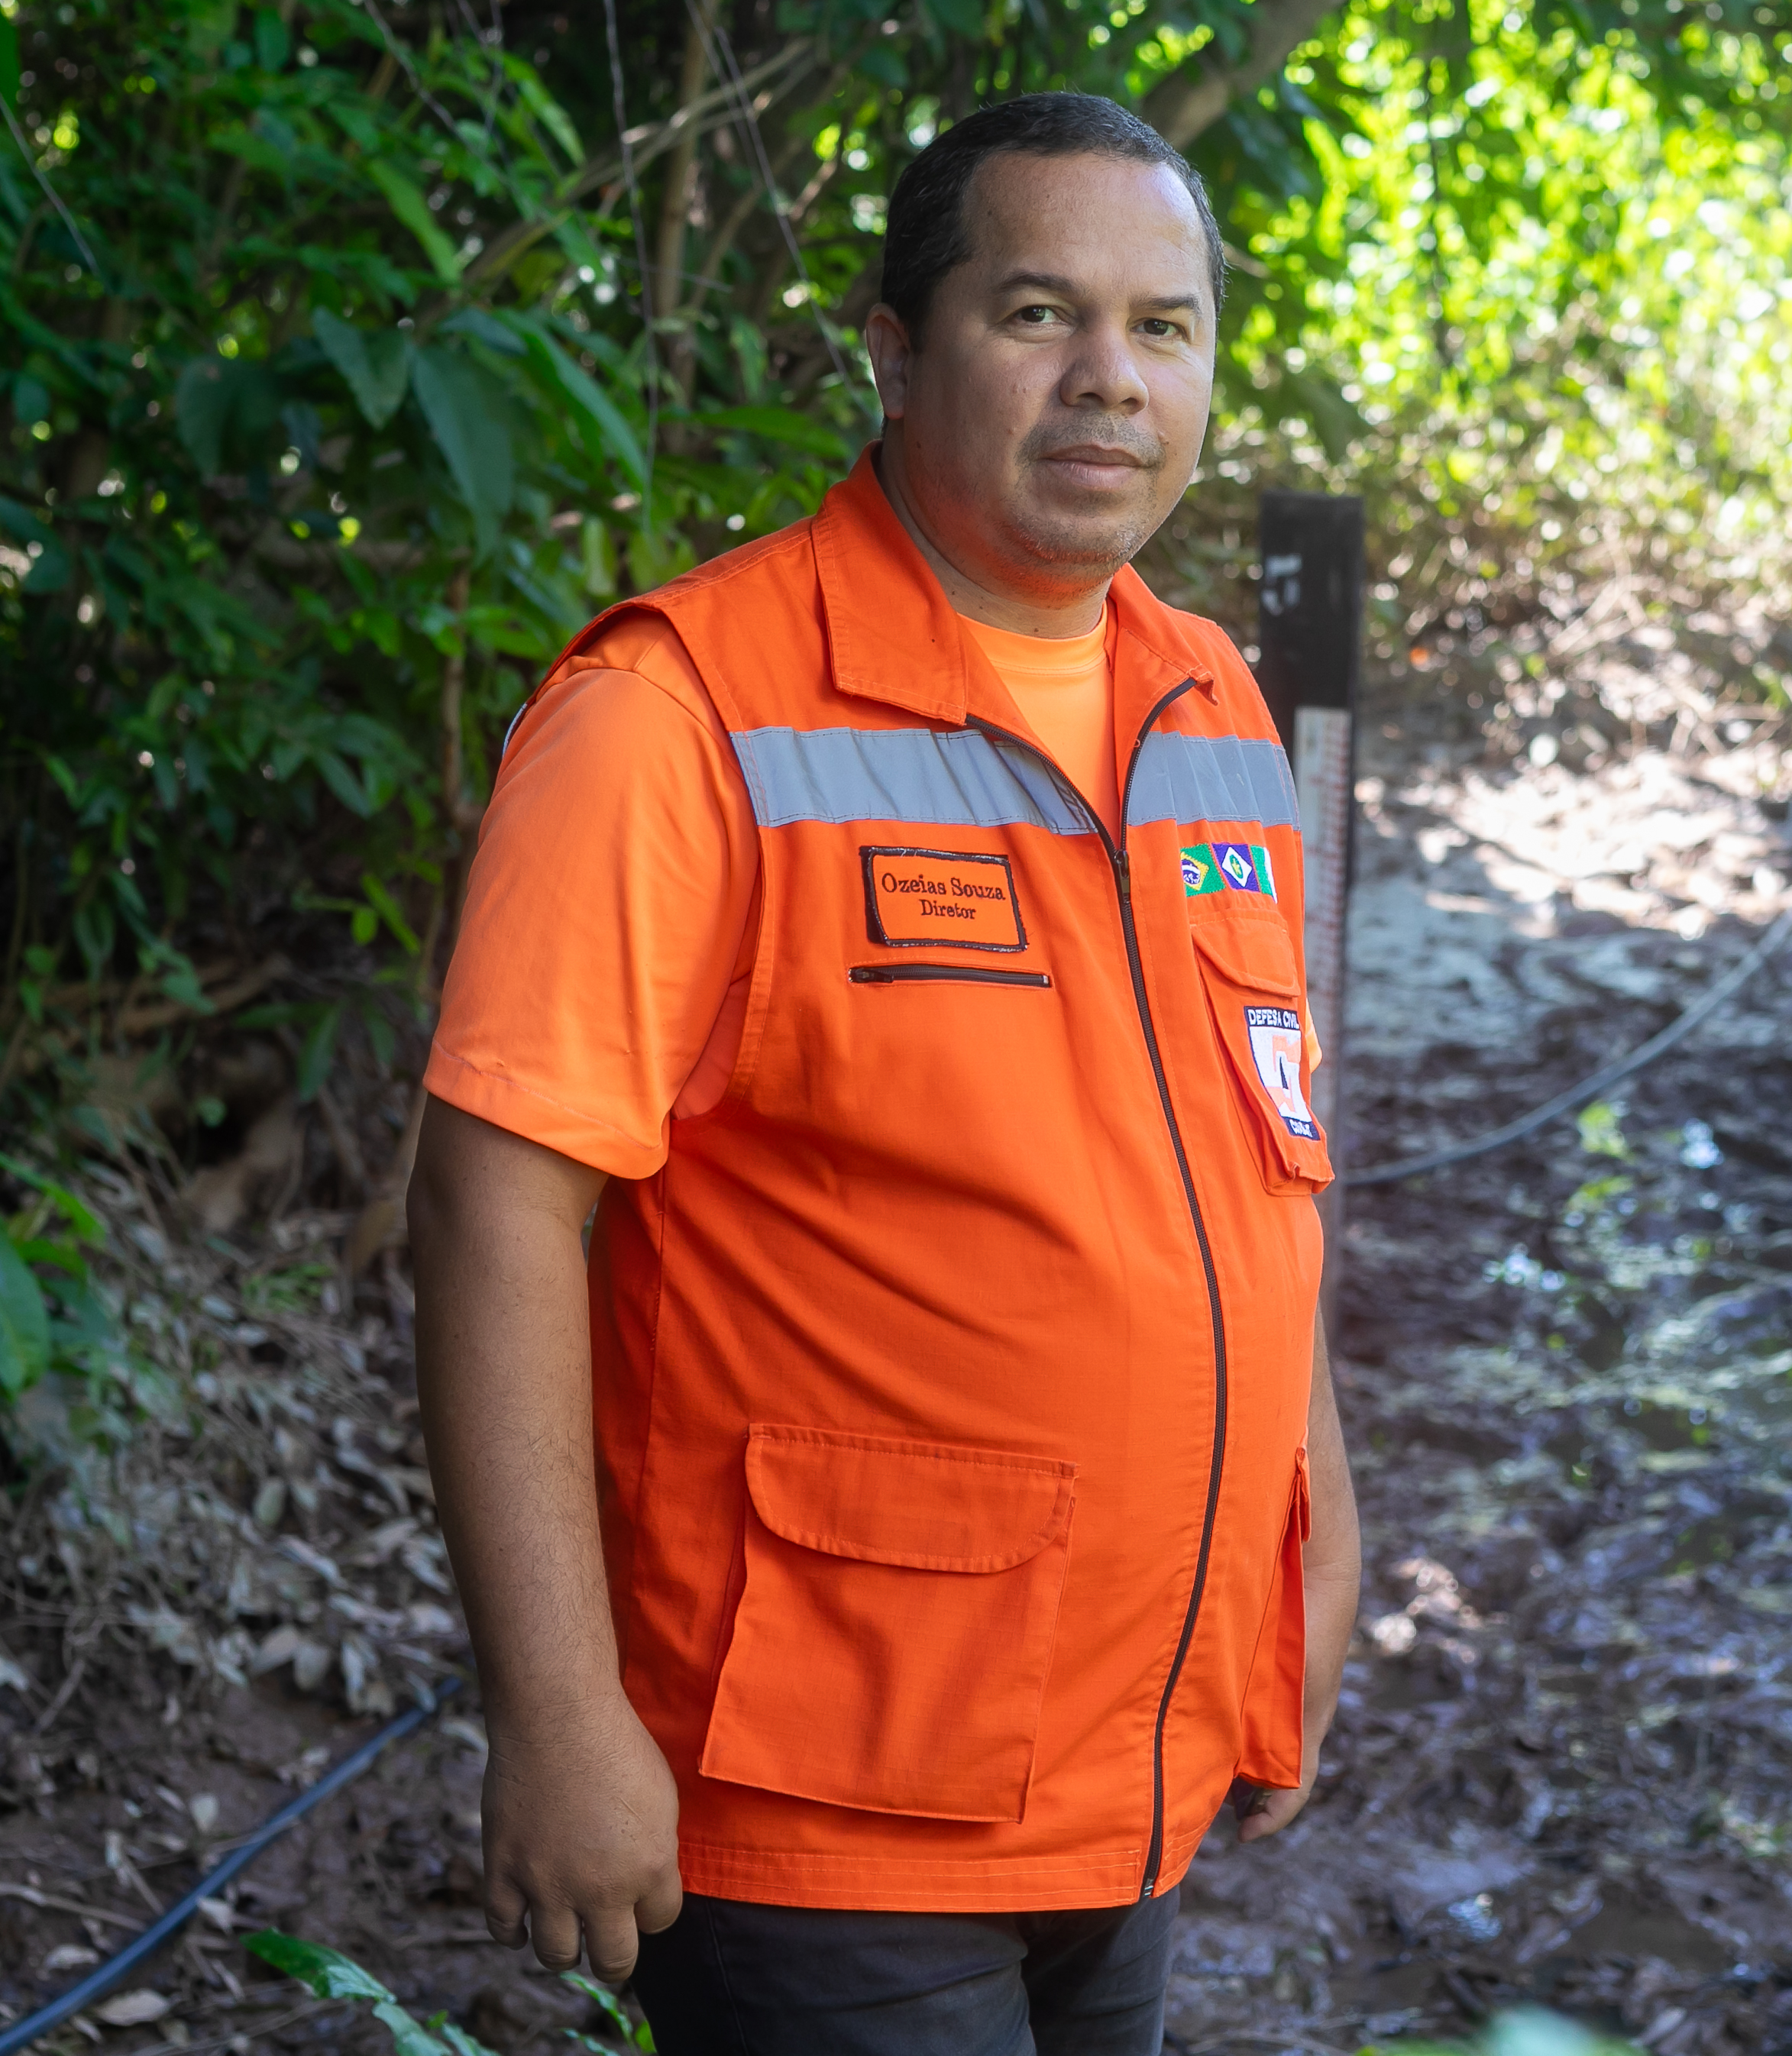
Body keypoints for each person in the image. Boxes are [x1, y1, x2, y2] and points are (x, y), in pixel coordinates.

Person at [407, 92, 1361, 2054]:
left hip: (1126, 1759)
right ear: (895, 346)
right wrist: (562, 1710)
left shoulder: (1214, 705)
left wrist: (1314, 1533)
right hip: (819, 1792)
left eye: (1163, 327)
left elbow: (1249, 1155)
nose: (1111, 379)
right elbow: (493, 1204)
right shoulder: (676, 715)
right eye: (1039, 312)